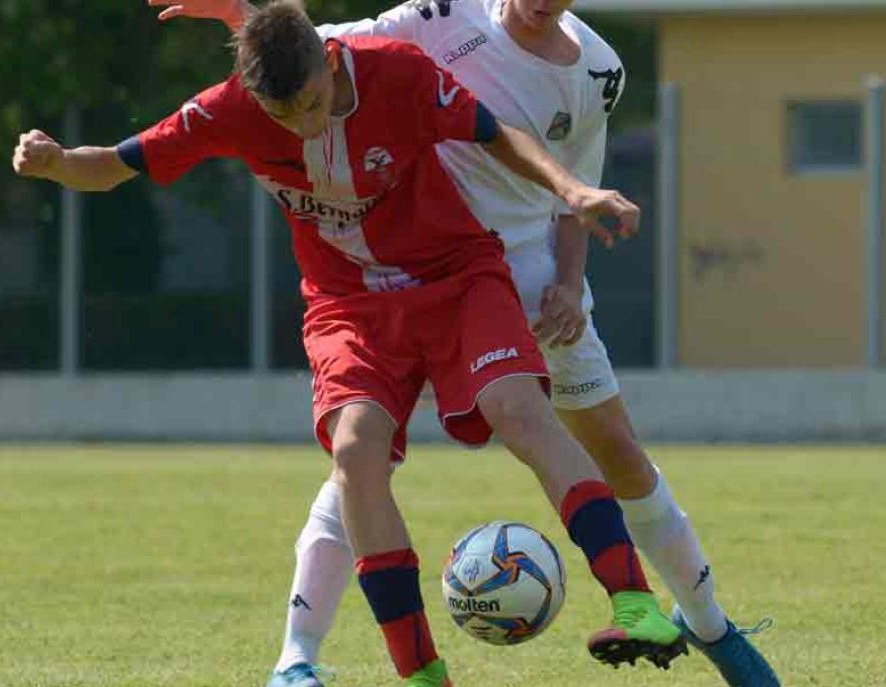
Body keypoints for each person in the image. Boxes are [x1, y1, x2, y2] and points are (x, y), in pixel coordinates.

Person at [13, 3, 687, 686]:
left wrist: (572, 189)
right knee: (356, 451)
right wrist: (58, 162)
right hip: (349, 306)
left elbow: (497, 134)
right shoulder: (228, 108)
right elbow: (113, 165)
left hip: (456, 276)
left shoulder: (399, 73)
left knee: (520, 410)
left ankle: (635, 603)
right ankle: (422, 675)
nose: (302, 125)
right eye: (281, 115)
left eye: (311, 104)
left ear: (331, 63)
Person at [148, 1, 780, 686]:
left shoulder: (599, 69)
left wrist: (569, 283)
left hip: (530, 282)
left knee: (619, 454)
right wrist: (243, 15)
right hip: (421, 273)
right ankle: (296, 657)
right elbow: (317, 53)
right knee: (358, 465)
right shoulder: (439, 14)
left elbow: (576, 185)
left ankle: (708, 624)